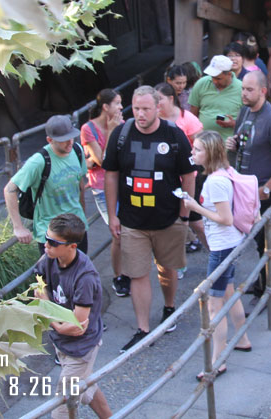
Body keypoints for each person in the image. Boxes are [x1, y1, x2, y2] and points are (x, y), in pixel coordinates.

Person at [103, 86, 196, 352]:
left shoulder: (174, 135)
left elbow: (189, 175)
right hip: (132, 220)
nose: (140, 114)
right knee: (137, 274)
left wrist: (184, 215)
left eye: (146, 108)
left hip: (168, 218)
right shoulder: (121, 134)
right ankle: (142, 329)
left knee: (167, 268)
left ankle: (169, 309)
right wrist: (113, 215)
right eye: (136, 108)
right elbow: (111, 173)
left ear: (159, 108)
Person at [179, 132, 254, 378]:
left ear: (209, 153)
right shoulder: (223, 174)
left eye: (197, 150)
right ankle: (242, 339)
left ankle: (218, 361)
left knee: (214, 308)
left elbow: (225, 218)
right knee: (229, 292)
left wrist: (194, 207)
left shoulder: (214, 182)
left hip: (222, 249)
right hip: (229, 245)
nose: (193, 153)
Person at [32, 214, 112, 419]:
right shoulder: (49, 259)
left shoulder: (85, 278)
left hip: (81, 348)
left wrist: (52, 320)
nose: (46, 245)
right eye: (45, 238)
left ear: (72, 246)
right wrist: (57, 322)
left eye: (52, 242)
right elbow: (38, 285)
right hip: (61, 343)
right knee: (85, 390)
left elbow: (76, 326)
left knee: (62, 403)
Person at [229, 71, 271, 299]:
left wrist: (266, 189)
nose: (244, 94)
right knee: (256, 240)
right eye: (243, 89)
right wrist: (234, 143)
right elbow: (244, 141)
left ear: (263, 91)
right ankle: (262, 281)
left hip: (264, 191)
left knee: (266, 240)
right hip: (245, 188)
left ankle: (267, 289)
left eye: (249, 90)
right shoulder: (244, 111)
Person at [4, 114, 89, 254]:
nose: (69, 142)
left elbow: (80, 186)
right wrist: (18, 227)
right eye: (63, 140)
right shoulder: (38, 162)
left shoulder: (77, 150)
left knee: (80, 274)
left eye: (71, 137)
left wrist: (83, 219)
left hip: (77, 229)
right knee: (54, 276)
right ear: (50, 140)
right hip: (51, 235)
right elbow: (9, 190)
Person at [81, 89, 128, 297]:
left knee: (128, 231)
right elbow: (103, 161)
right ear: (105, 107)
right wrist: (110, 131)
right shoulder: (88, 129)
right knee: (117, 233)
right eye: (117, 104)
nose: (120, 107)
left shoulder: (124, 124)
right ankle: (119, 276)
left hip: (124, 183)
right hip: (101, 187)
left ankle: (128, 270)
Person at [155, 82, 205, 255]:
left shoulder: (187, 118)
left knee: (195, 221)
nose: (157, 103)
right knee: (171, 222)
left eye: (159, 99)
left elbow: (202, 145)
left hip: (188, 177)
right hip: (165, 178)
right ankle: (177, 263)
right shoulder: (154, 120)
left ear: (170, 99)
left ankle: (219, 255)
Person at [189, 55, 242, 140]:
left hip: (227, 146)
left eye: (218, 78)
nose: (214, 81)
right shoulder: (201, 83)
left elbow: (248, 121)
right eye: (212, 77)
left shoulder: (241, 88)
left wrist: (233, 124)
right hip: (202, 144)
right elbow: (192, 115)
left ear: (229, 74)